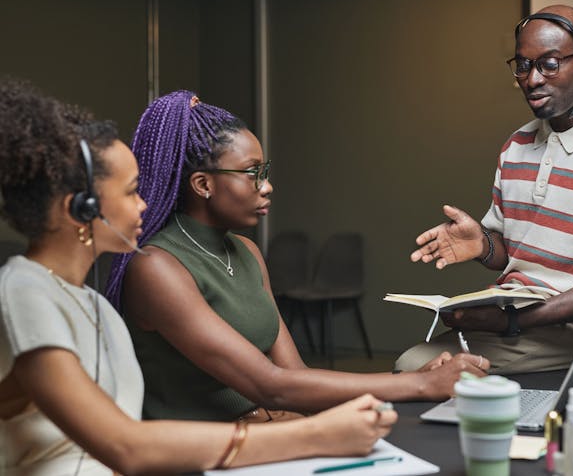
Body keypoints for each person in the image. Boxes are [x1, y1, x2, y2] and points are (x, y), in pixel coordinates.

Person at [0, 79, 396, 475]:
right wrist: (315, 435)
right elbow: (126, 446)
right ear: (82, 209)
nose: (145, 203)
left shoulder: (91, 304)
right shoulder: (24, 291)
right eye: (132, 191)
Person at [105, 90, 487, 422]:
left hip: (271, 423)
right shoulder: (156, 267)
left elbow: (294, 375)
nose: (267, 186)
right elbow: (269, 385)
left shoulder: (247, 251)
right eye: (252, 172)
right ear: (203, 184)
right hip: (209, 450)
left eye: (265, 170)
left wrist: (417, 379)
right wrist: (418, 383)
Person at [396, 5, 573, 373]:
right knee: (418, 368)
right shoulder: (517, 145)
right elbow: (508, 251)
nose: (532, 79)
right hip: (514, 312)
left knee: (417, 367)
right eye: (523, 65)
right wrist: (482, 244)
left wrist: (515, 322)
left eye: (550, 63)